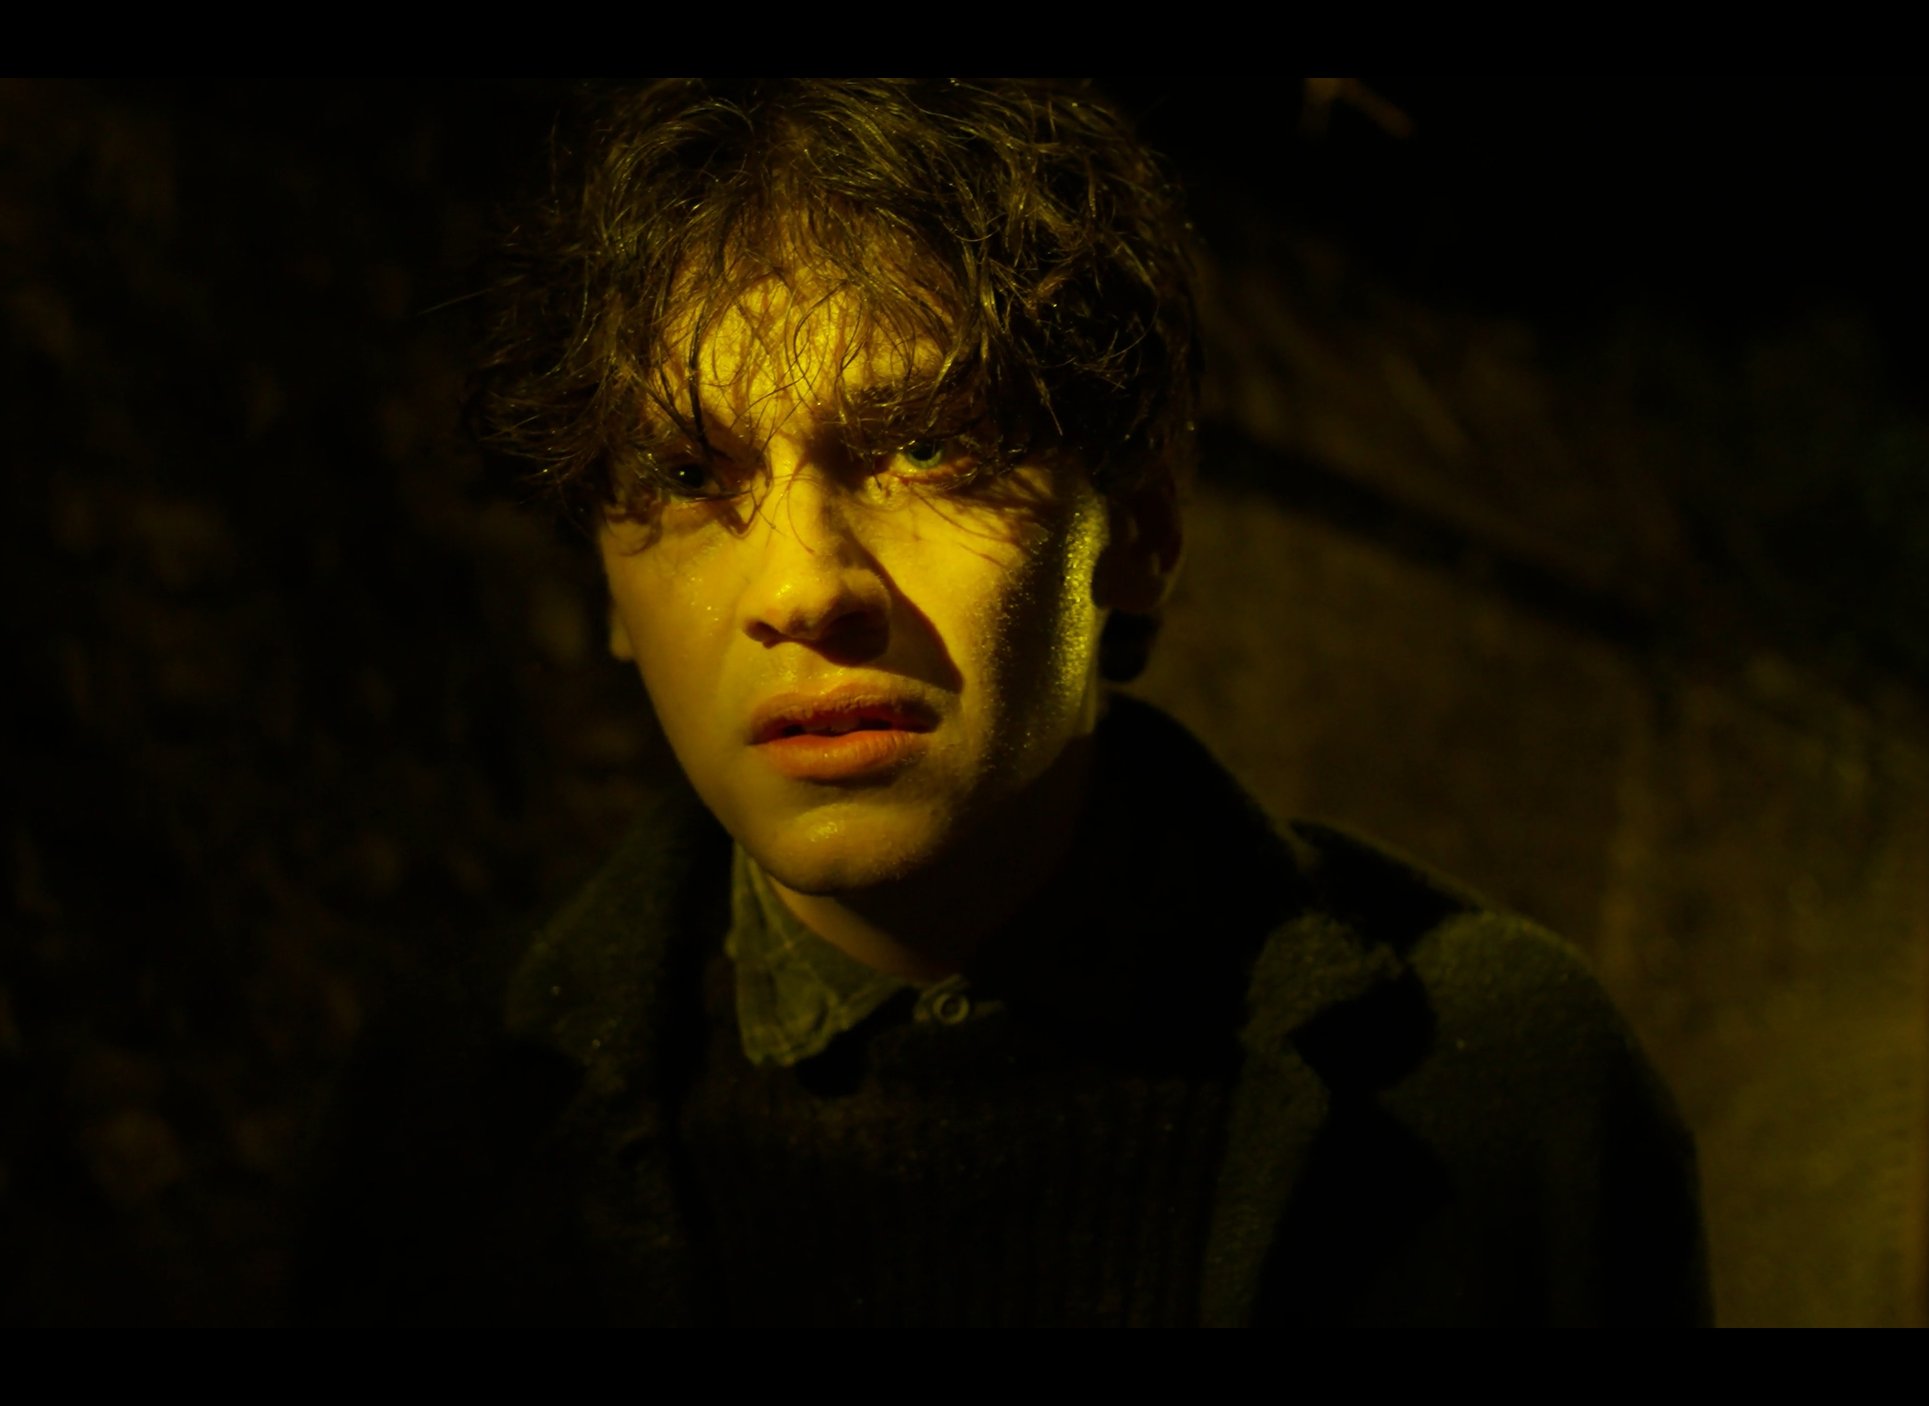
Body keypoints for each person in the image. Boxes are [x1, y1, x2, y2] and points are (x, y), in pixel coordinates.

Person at [296, 78, 1710, 1327]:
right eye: (683, 475)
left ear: (1140, 528)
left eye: (924, 447)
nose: (802, 585)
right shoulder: (449, 1114)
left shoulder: (1506, 1093)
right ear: (608, 586)